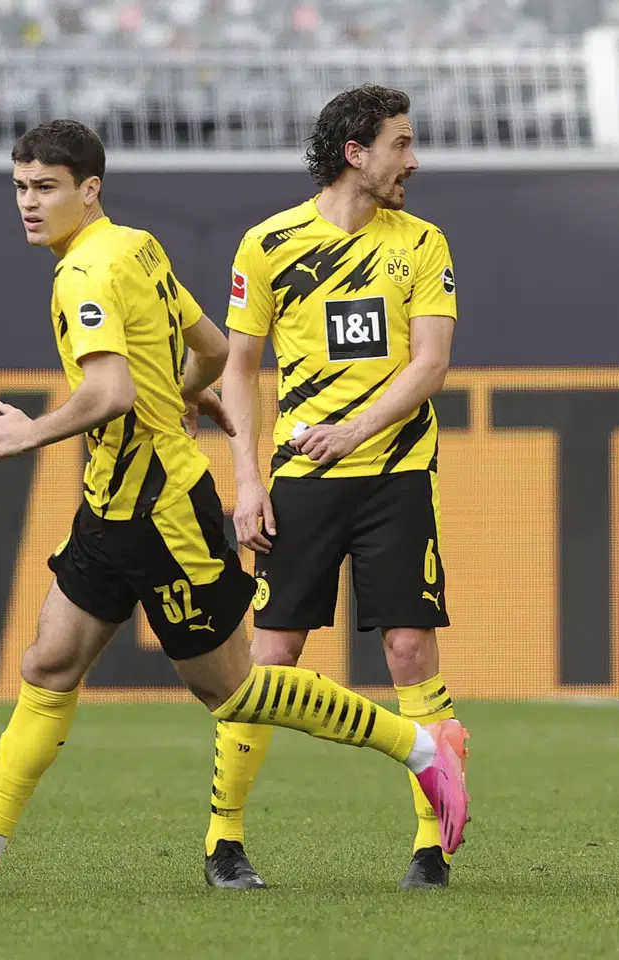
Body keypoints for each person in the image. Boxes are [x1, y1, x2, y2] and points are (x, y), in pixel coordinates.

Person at [0, 119, 470, 895]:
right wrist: (184, 396)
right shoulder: (136, 246)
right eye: (19, 187)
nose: (28, 203)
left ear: (90, 190)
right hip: (110, 506)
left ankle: (422, 749)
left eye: (45, 187)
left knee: (235, 688)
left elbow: (110, 391)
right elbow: (215, 350)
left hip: (160, 508)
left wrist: (33, 431)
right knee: (49, 663)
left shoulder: (84, 274)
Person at [201, 84, 462, 891]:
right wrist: (246, 480)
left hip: (398, 476)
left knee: (410, 648)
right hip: (300, 484)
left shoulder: (422, 243)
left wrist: (354, 430)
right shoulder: (268, 243)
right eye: (401, 144)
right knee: (271, 656)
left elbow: (430, 365)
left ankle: (431, 848)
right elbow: (239, 370)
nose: (413, 161)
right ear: (357, 152)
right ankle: (224, 843)